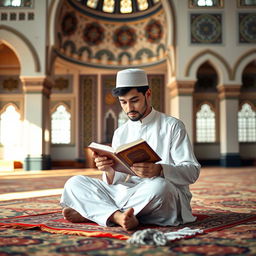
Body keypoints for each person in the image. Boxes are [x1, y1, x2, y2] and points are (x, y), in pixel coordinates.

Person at [60, 68, 200, 231]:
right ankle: (118, 216)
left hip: (157, 193)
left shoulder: (173, 126)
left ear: (148, 94)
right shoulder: (121, 132)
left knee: (160, 188)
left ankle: (94, 212)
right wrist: (108, 170)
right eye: (123, 102)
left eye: (134, 100)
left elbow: (192, 172)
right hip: (126, 193)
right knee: (74, 182)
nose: (129, 108)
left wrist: (160, 170)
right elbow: (117, 182)